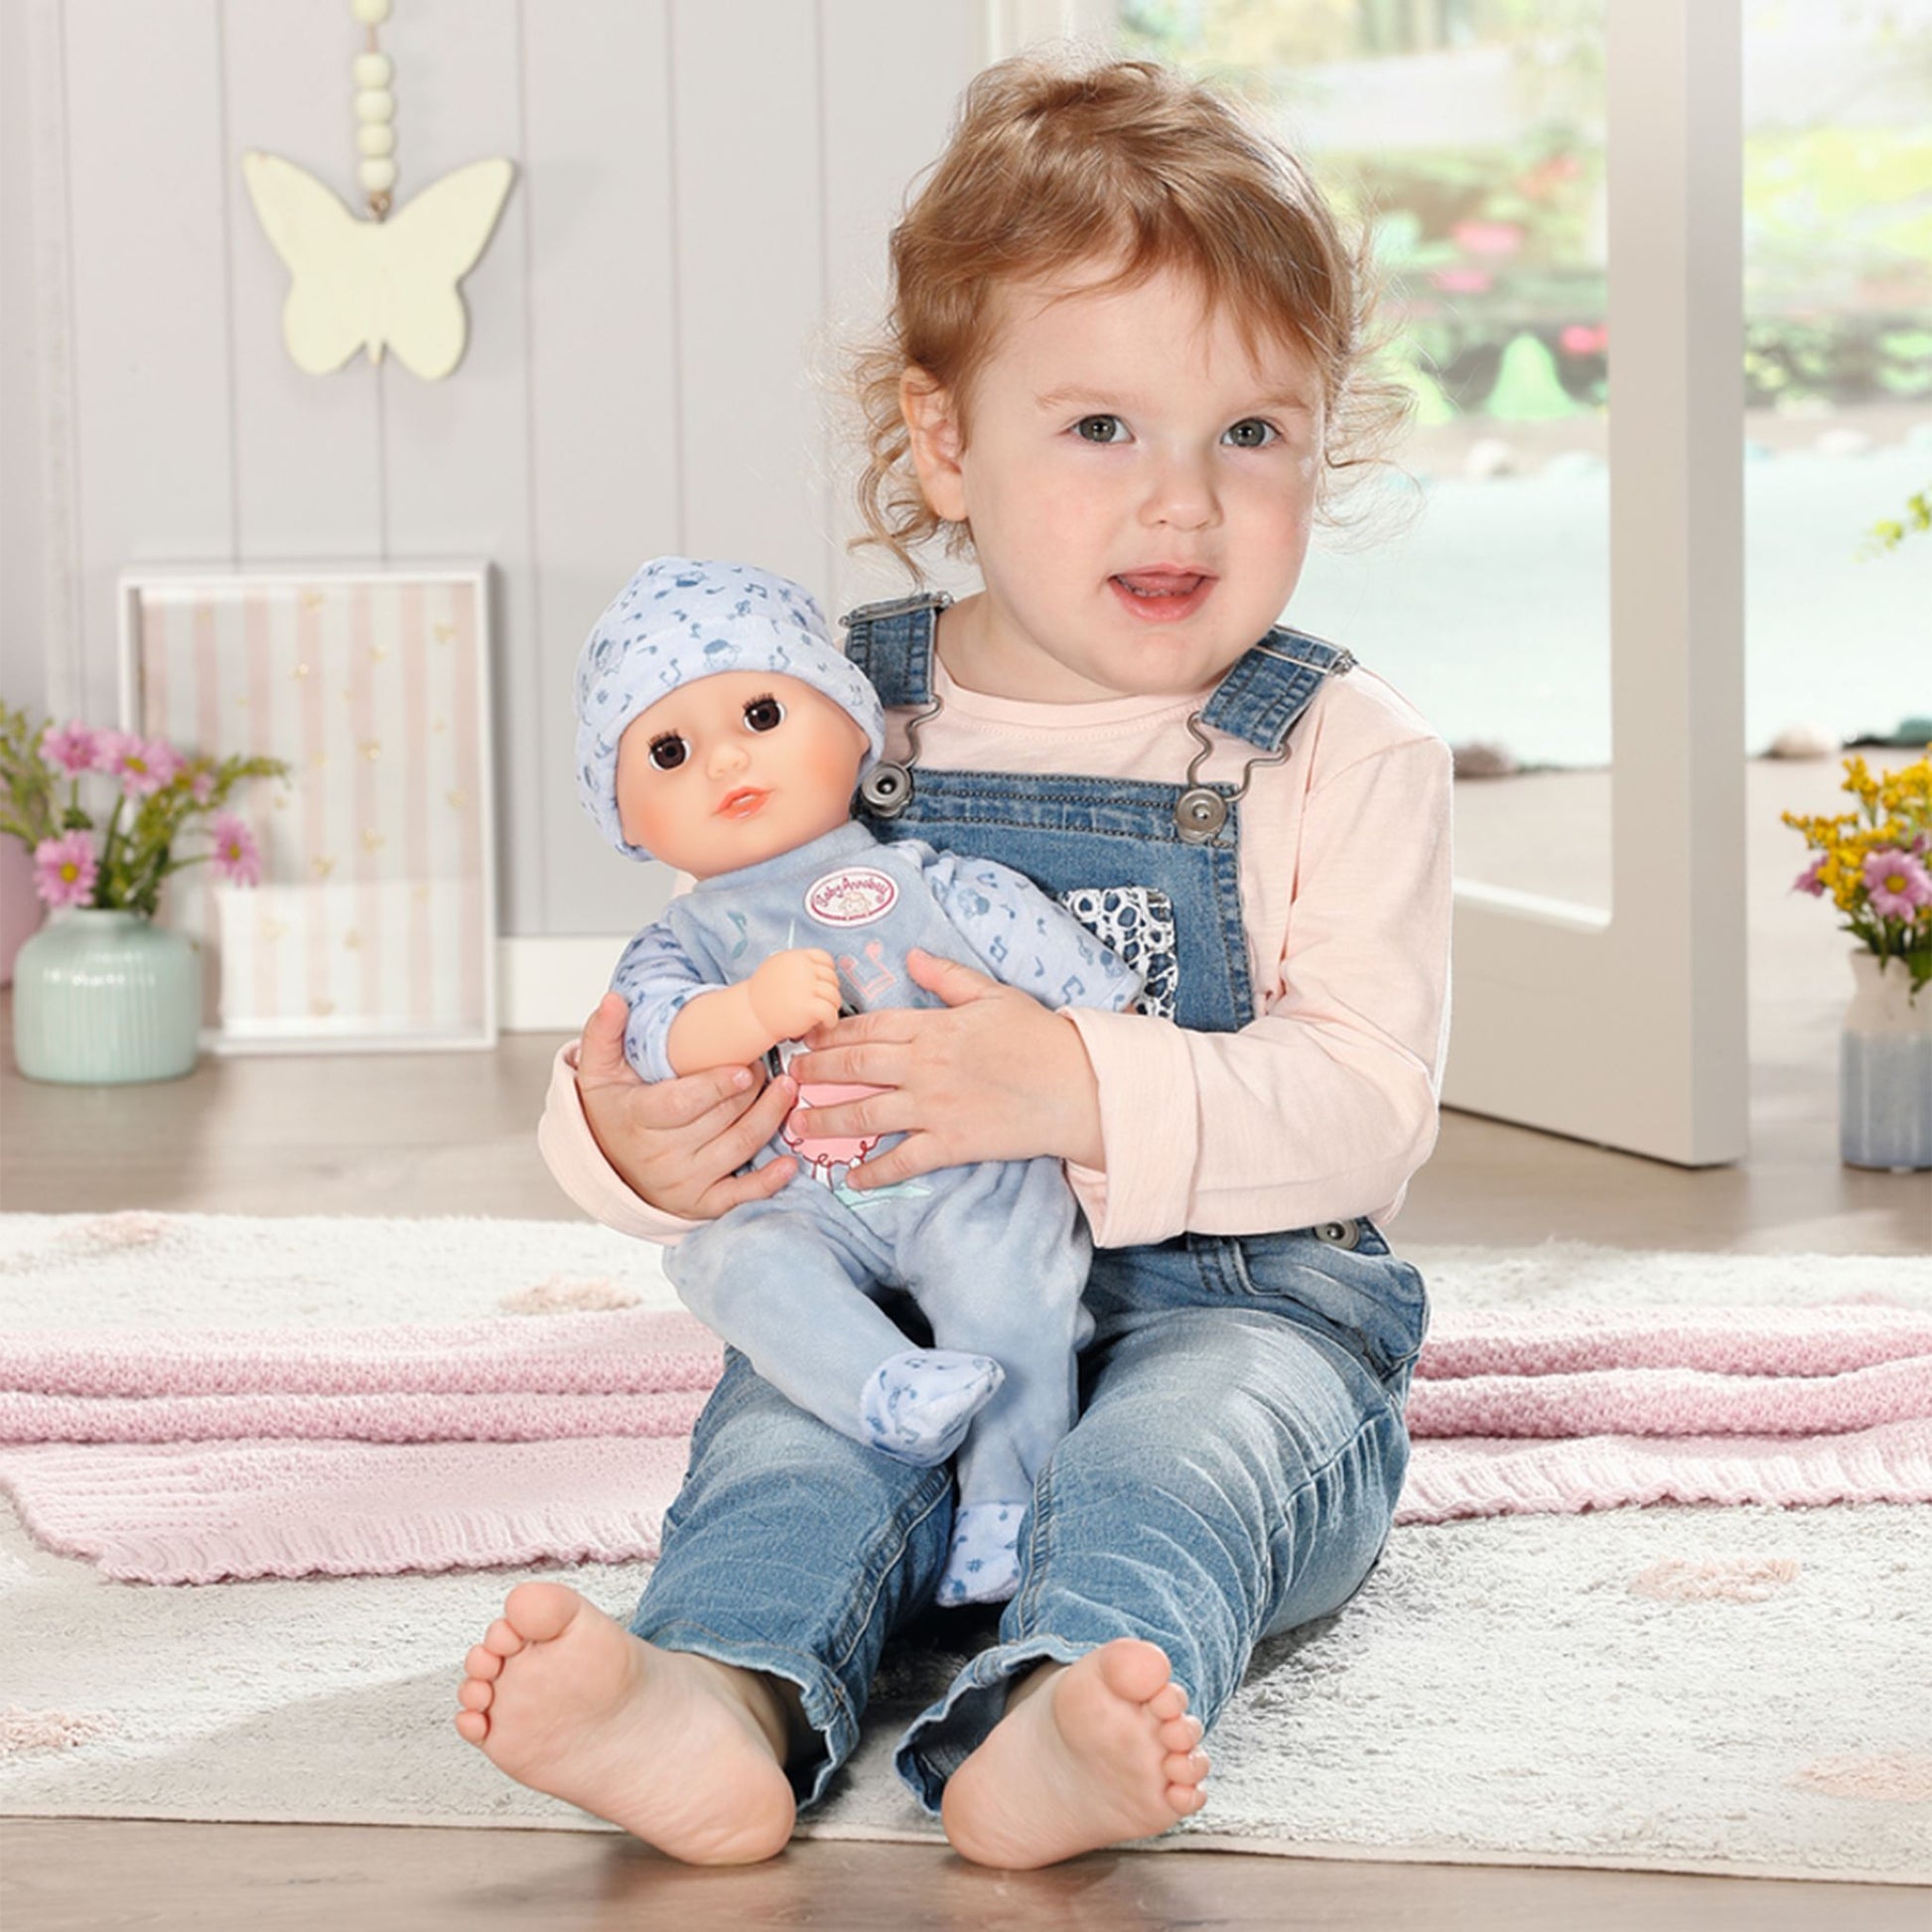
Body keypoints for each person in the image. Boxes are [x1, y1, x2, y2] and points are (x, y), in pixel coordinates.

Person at [455, 51, 1449, 1870]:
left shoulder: (1335, 747)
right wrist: (629, 1137)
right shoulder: (829, 714)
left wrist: (1069, 1086)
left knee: (1177, 1464)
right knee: (794, 1444)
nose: (1181, 501)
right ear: (944, 444)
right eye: (1101, 427)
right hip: (903, 1303)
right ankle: (718, 1693)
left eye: (1251, 432)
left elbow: (1366, 1106)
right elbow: (676, 981)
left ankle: (1061, 1704)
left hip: (1240, 1304)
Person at [576, 552, 1140, 1605]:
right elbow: (646, 1034)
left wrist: (1078, 1034)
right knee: (728, 1259)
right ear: (628, 820)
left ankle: (1007, 1508)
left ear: (852, 727)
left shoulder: (929, 879)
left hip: (962, 1171)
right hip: (797, 1197)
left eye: (760, 714)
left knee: (1008, 1279)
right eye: (667, 751)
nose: (722, 761)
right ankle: (882, 1387)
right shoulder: (681, 940)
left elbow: (1089, 990)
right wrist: (743, 1016)